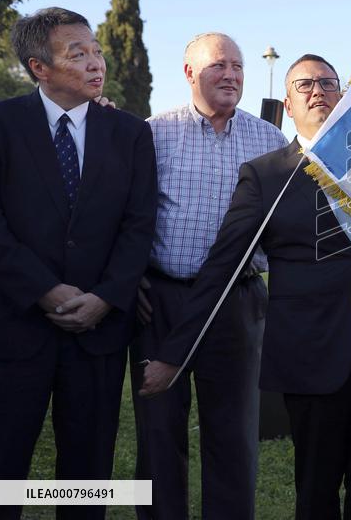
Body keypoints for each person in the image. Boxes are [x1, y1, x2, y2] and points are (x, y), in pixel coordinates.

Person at [139, 54, 351, 520]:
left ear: (343, 96)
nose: (318, 91)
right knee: (316, 488)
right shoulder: (266, 174)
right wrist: (174, 354)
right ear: (288, 104)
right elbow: (223, 266)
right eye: (304, 84)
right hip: (312, 350)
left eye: (328, 82)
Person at [0, 8, 157, 519]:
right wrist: (45, 289)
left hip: (98, 335)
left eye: (97, 51)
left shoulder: (129, 133)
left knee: (87, 478)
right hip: (14, 329)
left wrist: (106, 297)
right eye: (77, 53)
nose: (95, 63)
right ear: (39, 67)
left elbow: (139, 225)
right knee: (1, 472)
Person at [130, 33, 287, 519]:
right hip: (161, 303)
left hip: (237, 306)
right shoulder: (152, 133)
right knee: (158, 433)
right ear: (189, 73)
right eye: (219, 65)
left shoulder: (269, 139)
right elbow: (123, 213)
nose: (232, 75)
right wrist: (127, 275)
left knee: (234, 434)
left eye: (238, 67)